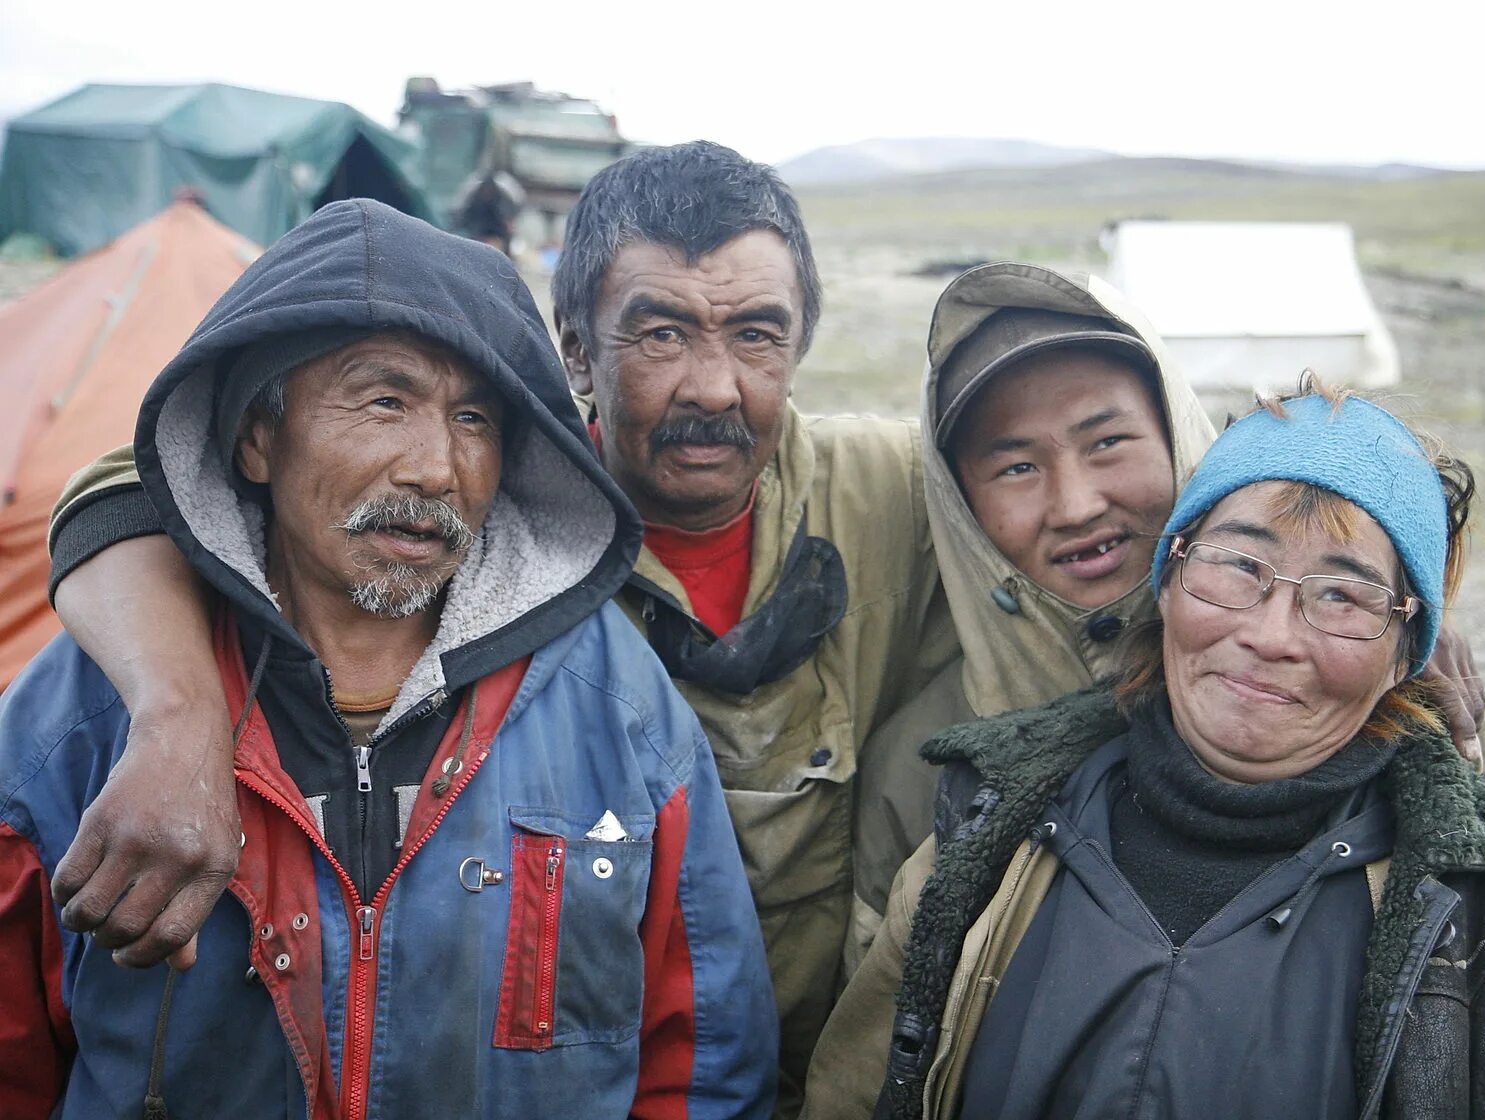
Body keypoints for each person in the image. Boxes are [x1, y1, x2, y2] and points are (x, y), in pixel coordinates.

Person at [38, 143, 952, 1115]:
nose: (714, 388)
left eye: (759, 335)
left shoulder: (879, 504)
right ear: (573, 350)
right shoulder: (106, 688)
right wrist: (176, 712)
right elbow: (142, 484)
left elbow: (701, 1052)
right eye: (660, 332)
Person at [807, 384, 1485, 1119]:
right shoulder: (988, 832)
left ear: (1402, 654)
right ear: (1166, 579)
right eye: (1238, 566)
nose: (1269, 636)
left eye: (1343, 596)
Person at [844, 263, 1485, 976]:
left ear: (1177, 431)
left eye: (1108, 441)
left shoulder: (1416, 699)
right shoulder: (924, 765)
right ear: (961, 506)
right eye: (1015, 467)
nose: (1077, 504)